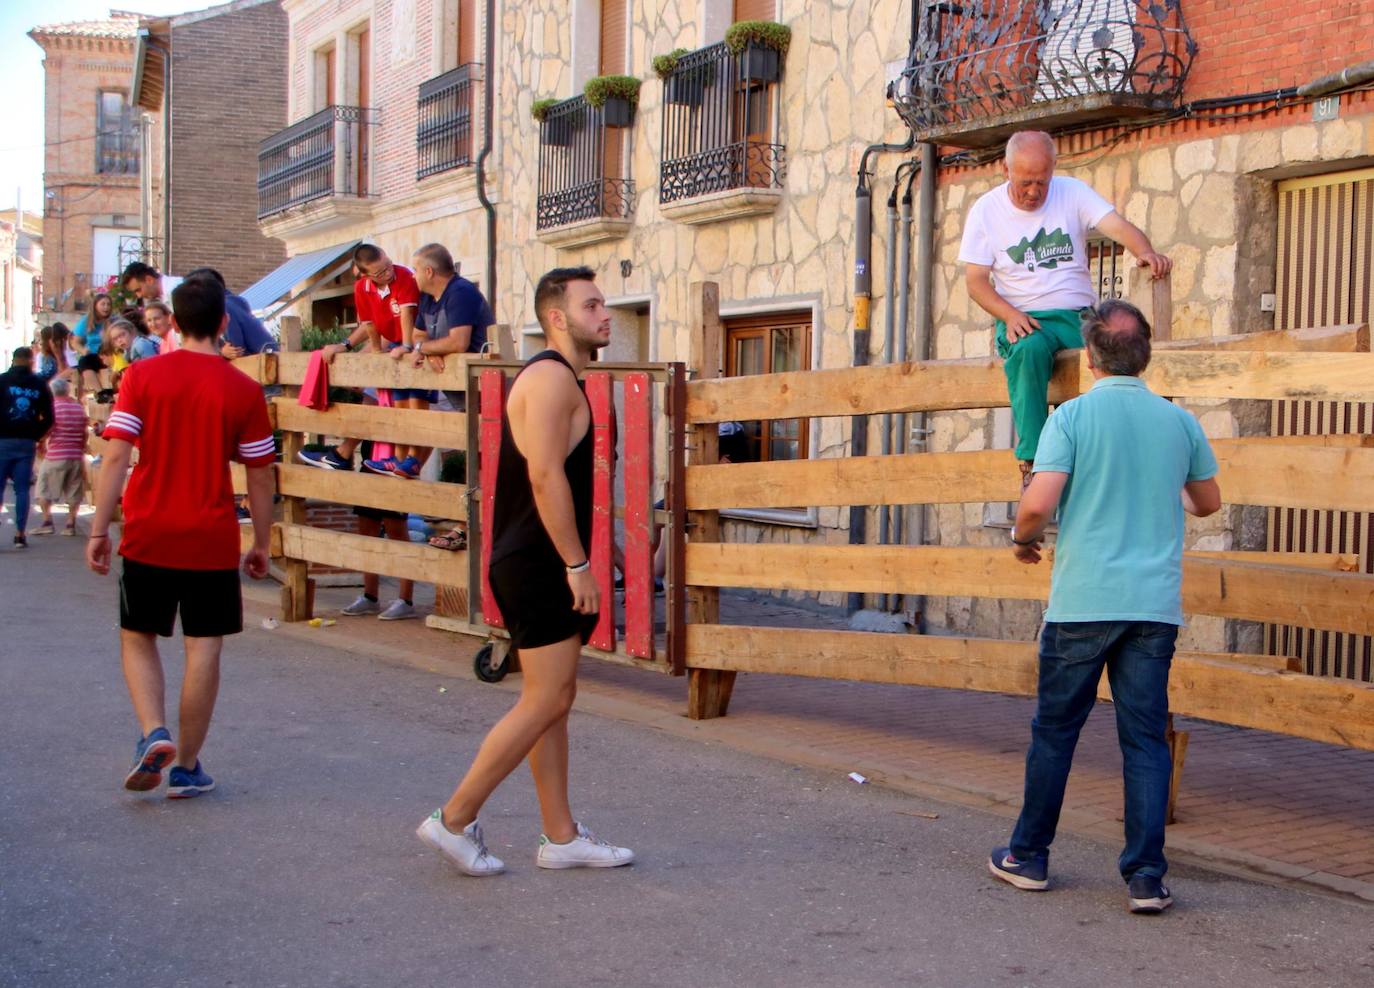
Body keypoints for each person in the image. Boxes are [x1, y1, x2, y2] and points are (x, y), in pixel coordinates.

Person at [986, 300, 1220, 915]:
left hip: (1084, 602)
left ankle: (1028, 857)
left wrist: (1022, 540)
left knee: (1055, 732)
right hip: (1153, 607)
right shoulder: (1178, 422)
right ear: (1146, 356)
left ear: (1089, 358)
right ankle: (1146, 878)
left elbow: (1038, 505)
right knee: (1144, 741)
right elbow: (1207, 501)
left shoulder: (1071, 418)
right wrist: (1165, 493)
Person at [417, 266, 634, 876]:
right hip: (538, 562)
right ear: (557, 318)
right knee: (549, 698)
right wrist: (577, 564)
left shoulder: (560, 378)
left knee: (551, 701)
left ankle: (560, 837)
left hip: (536, 559)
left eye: (604, 304)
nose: (605, 315)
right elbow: (543, 475)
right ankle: (454, 819)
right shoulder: (550, 379)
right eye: (591, 306)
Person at [86, 278, 276, 799]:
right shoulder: (243, 390)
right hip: (210, 536)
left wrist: (99, 528)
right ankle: (187, 768)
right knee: (204, 647)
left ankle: (154, 732)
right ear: (223, 323)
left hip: (150, 529)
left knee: (137, 635)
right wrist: (261, 542)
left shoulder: (142, 376)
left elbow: (117, 455)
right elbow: (261, 473)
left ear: (173, 322)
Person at [959, 130, 1173, 484]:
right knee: (1027, 351)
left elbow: (1118, 227)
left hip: (1077, 317)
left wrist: (1145, 251)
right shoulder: (985, 211)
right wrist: (1009, 315)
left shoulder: (1072, 192)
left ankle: (1112, 453)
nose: (1033, 191)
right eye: (1025, 183)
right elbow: (975, 282)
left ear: (1053, 170)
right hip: (1025, 318)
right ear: (1006, 170)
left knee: (1114, 356)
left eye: (1041, 183)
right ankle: (1034, 461)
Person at [298, 244, 429, 475]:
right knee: (378, 398)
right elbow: (370, 324)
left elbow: (406, 316)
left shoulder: (404, 277)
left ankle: (353, 455)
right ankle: (352, 455)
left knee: (400, 404)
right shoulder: (363, 288)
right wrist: (368, 352)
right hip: (394, 346)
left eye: (388, 265)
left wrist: (406, 346)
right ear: (365, 274)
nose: (388, 273)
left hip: (413, 344)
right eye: (380, 272)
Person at [409, 242, 493, 546]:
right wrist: (430, 349)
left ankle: (469, 529)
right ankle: (465, 527)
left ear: (429, 271)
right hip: (459, 395)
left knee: (483, 462)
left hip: (483, 392)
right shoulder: (428, 297)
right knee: (471, 459)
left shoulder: (461, 292)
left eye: (416, 269)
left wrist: (427, 349)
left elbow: (458, 342)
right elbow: (417, 336)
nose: (414, 275)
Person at [339, 443, 418, 621]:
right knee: (366, 535)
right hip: (369, 467)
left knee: (397, 534)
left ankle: (405, 600)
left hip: (395, 472)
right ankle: (370, 596)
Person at [0, 347, 55, 547]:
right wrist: (36, 434)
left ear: (13, 360)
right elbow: (49, 417)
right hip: (26, 441)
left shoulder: (2, 381)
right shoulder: (39, 384)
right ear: (31, 361)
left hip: (3, 439)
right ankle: (20, 534)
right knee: (22, 489)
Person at [33, 377, 87, 536]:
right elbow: (84, 432)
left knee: (43, 489)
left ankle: (47, 522)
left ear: (52, 391)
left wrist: (40, 444)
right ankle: (70, 525)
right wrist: (81, 447)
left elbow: (46, 430)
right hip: (76, 455)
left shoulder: (52, 408)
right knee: (74, 491)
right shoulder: (78, 408)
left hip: (56, 455)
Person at [183, 267, 276, 358]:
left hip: (264, 362)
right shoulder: (231, 302)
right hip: (266, 358)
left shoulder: (225, 306)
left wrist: (221, 352)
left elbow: (236, 350)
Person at [73, 293, 114, 394]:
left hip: (109, 354)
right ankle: (100, 393)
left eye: (108, 304)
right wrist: (83, 350)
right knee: (84, 362)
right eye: (103, 304)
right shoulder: (86, 321)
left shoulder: (113, 320)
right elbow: (75, 342)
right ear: (95, 305)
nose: (106, 307)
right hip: (93, 354)